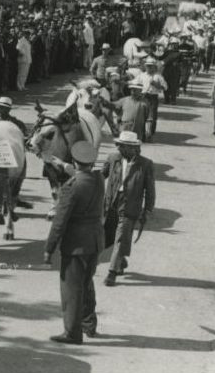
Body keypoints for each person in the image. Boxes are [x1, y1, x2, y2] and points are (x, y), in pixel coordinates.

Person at [43, 141, 104, 344]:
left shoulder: (71, 188)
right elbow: (82, 178)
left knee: (71, 289)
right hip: (94, 241)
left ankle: (72, 333)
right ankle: (89, 324)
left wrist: (49, 249)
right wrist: (68, 168)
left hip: (75, 244)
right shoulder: (97, 180)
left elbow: (59, 222)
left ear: (75, 163)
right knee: (86, 283)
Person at [101, 131, 155, 286]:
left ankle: (111, 273)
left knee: (121, 236)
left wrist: (147, 210)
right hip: (111, 203)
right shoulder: (113, 159)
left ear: (133, 148)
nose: (119, 148)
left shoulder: (145, 165)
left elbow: (150, 190)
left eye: (122, 146)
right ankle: (121, 260)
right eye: (118, 145)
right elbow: (101, 176)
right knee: (109, 237)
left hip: (130, 206)